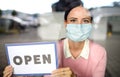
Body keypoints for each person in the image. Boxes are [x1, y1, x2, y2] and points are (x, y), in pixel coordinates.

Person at [3, 1, 107, 77]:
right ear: (65, 23)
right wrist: (16, 72)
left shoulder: (98, 53)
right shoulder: (54, 48)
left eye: (85, 20)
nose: (79, 25)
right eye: (73, 20)